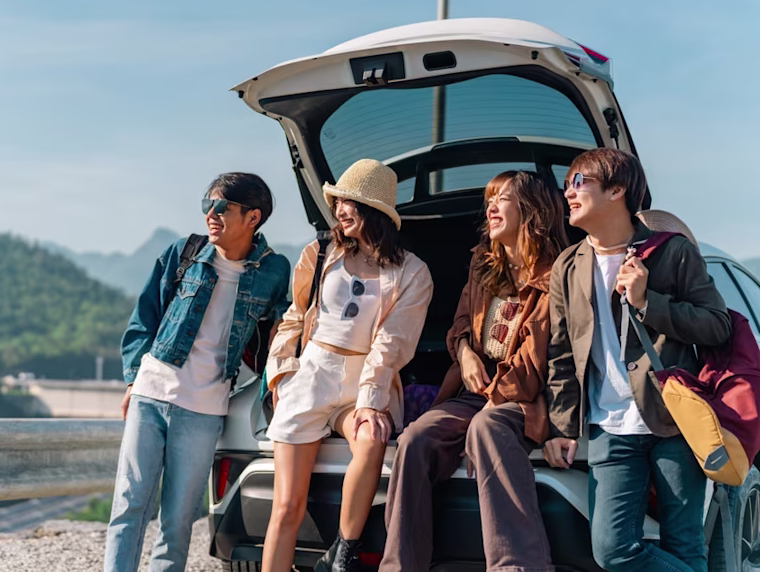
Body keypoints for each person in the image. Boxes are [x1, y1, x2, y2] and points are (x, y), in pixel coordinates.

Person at [543, 148, 732, 572]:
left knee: (685, 546)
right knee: (612, 550)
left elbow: (718, 325)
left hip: (676, 422)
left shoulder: (673, 252)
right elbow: (560, 353)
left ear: (617, 190)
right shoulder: (568, 266)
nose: (568, 193)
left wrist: (649, 302)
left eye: (579, 182)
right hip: (610, 427)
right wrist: (562, 425)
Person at [380, 169, 568, 572]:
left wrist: (489, 404)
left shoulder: (557, 278)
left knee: (487, 427)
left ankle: (517, 567)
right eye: (489, 199)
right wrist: (464, 350)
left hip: (525, 399)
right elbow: (460, 323)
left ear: (531, 210)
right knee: (414, 439)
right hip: (473, 394)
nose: (491, 206)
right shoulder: (484, 265)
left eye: (502, 198)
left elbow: (534, 365)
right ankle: (399, 567)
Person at [104, 173, 290, 572]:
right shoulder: (184, 252)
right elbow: (144, 318)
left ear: (253, 217)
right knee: (129, 504)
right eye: (208, 204)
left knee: (178, 521)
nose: (211, 214)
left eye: (222, 207)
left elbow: (278, 334)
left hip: (204, 409)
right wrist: (134, 380)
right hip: (152, 395)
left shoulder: (274, 271)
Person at [260, 159, 433, 572]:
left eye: (350, 201)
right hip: (310, 376)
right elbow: (294, 317)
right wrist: (281, 375)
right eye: (338, 200)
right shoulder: (321, 252)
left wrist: (372, 401)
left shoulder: (412, 272)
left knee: (372, 437)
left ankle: (342, 553)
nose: (340, 209)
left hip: (364, 383)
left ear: (374, 209)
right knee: (286, 508)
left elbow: (392, 343)